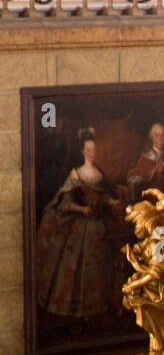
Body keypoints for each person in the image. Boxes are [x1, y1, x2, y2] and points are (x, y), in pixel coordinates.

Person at [35, 128, 123, 319]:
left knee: (102, 241)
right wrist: (82, 209)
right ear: (82, 152)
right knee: (83, 247)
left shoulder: (99, 173)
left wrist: (112, 202)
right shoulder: (76, 174)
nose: (92, 152)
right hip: (80, 223)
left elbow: (103, 197)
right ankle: (77, 306)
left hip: (98, 221)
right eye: (88, 149)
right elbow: (64, 202)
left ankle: (101, 303)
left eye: (94, 149)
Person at [126, 121, 164, 200]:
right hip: (151, 201)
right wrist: (153, 170)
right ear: (152, 138)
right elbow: (135, 174)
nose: (161, 139)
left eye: (163, 135)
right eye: (157, 136)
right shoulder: (145, 158)